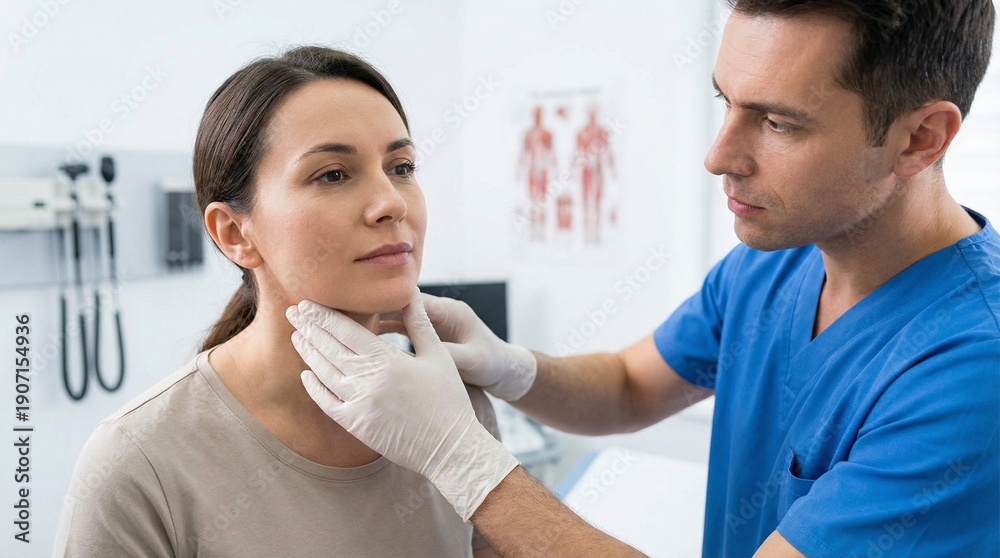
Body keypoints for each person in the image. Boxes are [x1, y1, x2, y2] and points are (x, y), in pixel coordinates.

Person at [287, 1, 1000, 557]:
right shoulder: (775, 259)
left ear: (921, 139)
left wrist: (464, 461)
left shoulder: (971, 368)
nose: (719, 156)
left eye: (778, 123)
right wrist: (512, 367)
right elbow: (630, 387)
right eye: (726, 102)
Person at [53, 46, 504, 557]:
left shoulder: (456, 414)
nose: (392, 203)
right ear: (234, 233)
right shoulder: (139, 464)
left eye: (401, 167)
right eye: (332, 174)